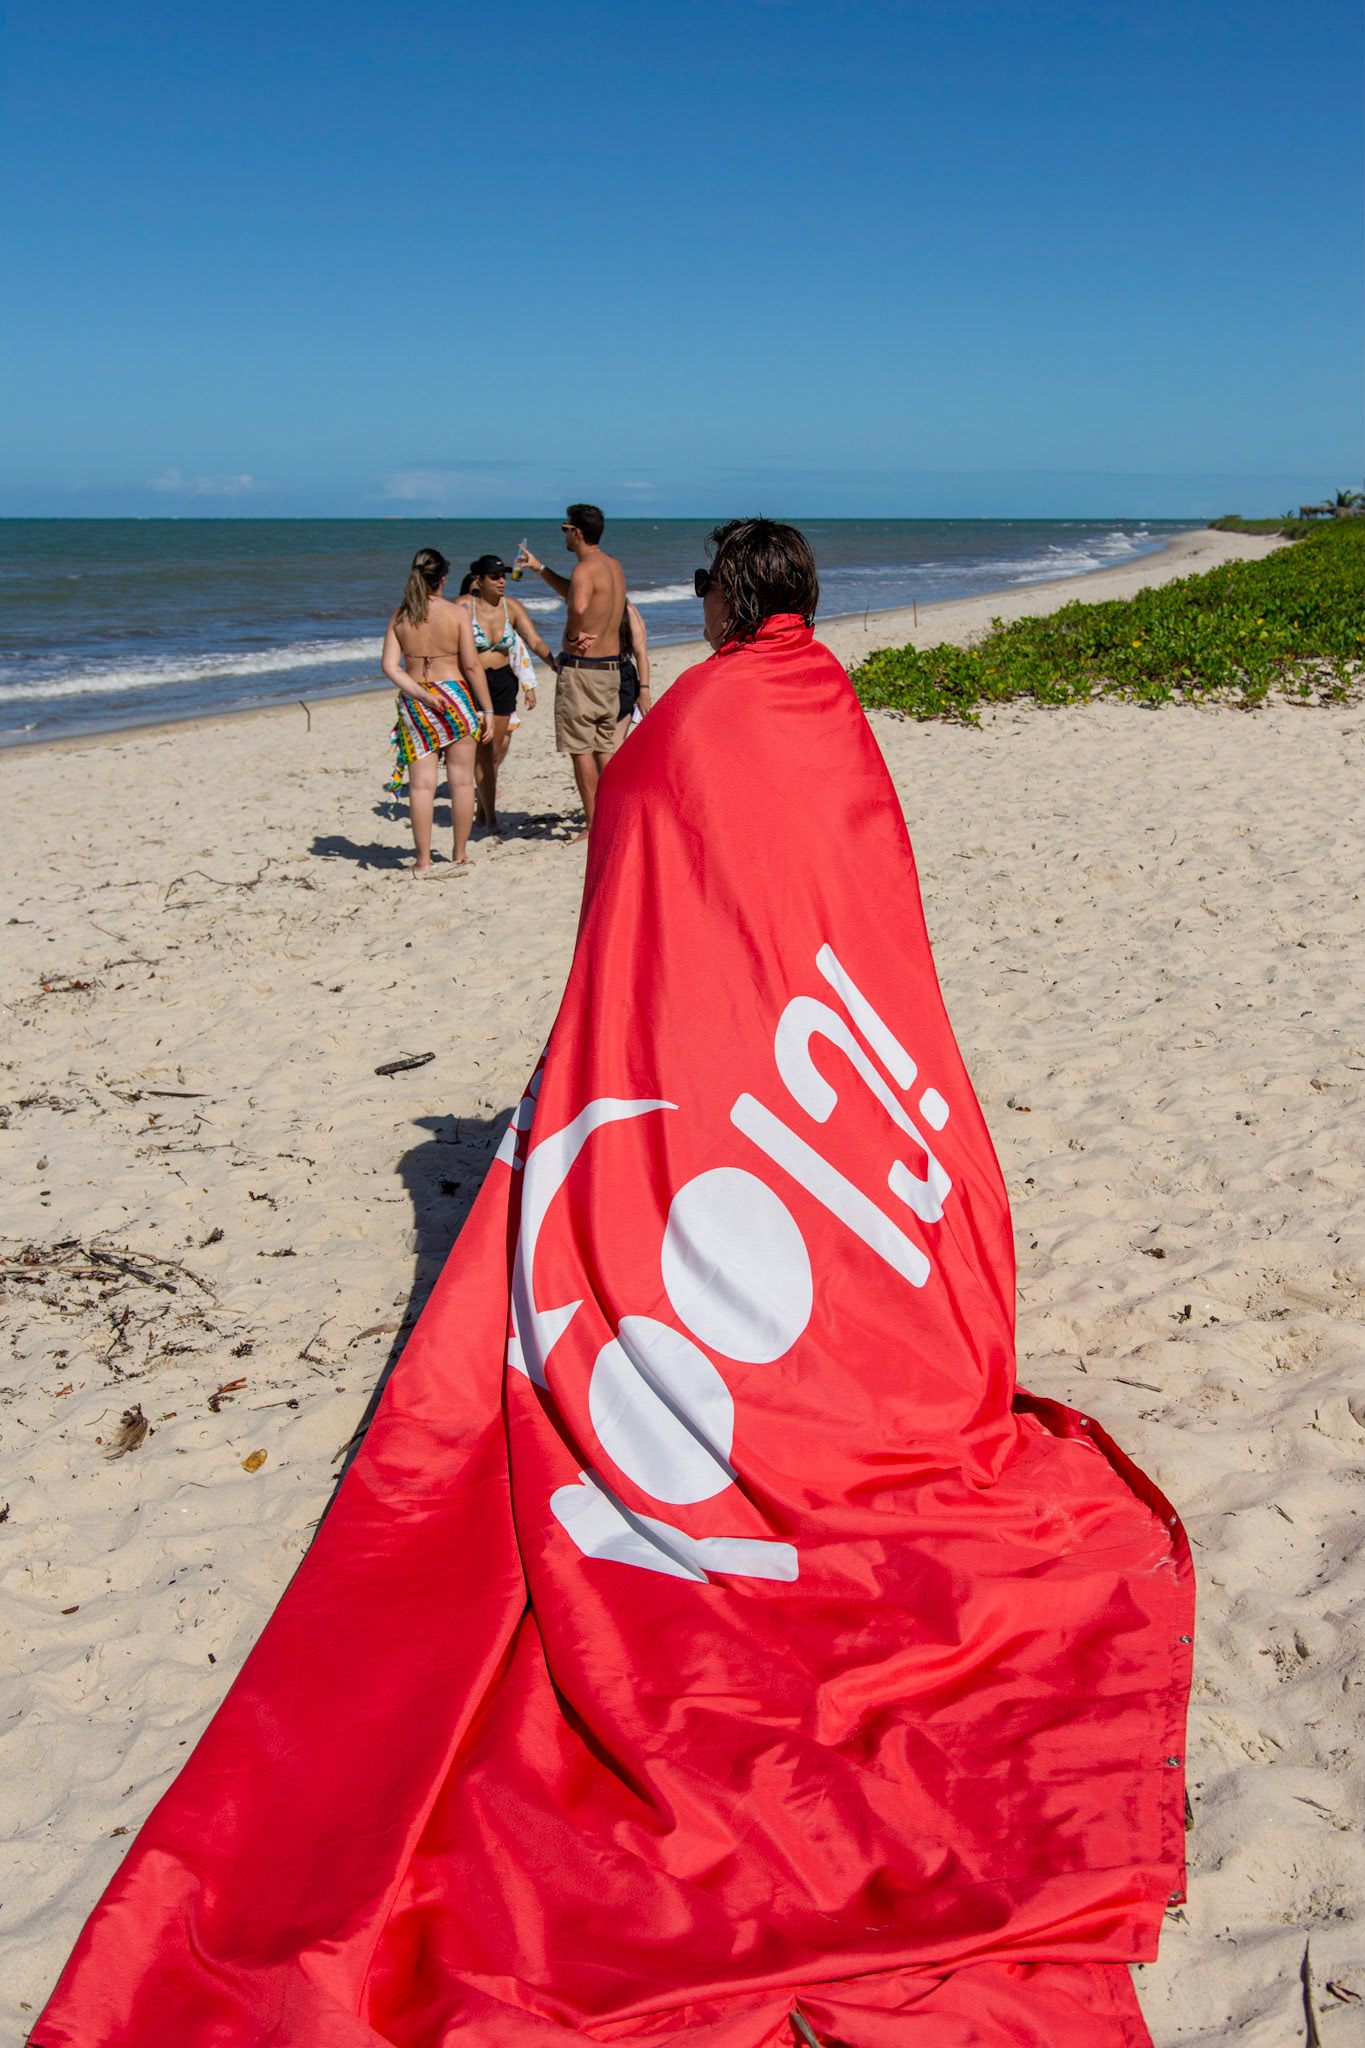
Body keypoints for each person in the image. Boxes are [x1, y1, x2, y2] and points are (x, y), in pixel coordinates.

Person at [39, 513, 1192, 2048]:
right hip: (816, 1067)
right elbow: (847, 891)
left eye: (705, 591)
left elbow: (648, 904)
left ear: (721, 600)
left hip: (740, 1077)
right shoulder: (828, 707)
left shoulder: (705, 715)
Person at [515, 504, 626, 838]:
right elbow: (579, 597)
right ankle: (614, 814)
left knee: (581, 750)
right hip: (611, 668)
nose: (563, 533)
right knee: (604, 747)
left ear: (576, 532)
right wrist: (540, 569)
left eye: (564, 527)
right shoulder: (612, 566)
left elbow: (578, 606)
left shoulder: (584, 569)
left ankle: (594, 824)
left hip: (583, 670)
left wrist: (575, 635)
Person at [380, 547, 494, 874]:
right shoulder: (457, 613)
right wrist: (486, 709)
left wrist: (422, 695)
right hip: (456, 696)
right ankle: (459, 854)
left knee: (421, 786)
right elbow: (472, 666)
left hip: (417, 703)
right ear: (443, 579)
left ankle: (423, 861)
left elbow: (390, 666)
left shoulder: (400, 616)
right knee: (460, 782)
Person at [453, 555, 559, 834]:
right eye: (495, 577)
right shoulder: (463, 606)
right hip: (471, 683)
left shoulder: (511, 607)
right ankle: (490, 818)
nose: (502, 581)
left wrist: (554, 663)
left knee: (494, 750)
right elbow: (441, 638)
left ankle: (482, 808)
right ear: (479, 579)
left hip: (502, 683)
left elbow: (533, 639)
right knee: (484, 751)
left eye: (504, 576)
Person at [615, 597, 651, 744]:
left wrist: (644, 691)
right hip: (594, 675)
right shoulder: (591, 607)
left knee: (614, 743)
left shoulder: (628, 611)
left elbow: (641, 654)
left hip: (623, 677)